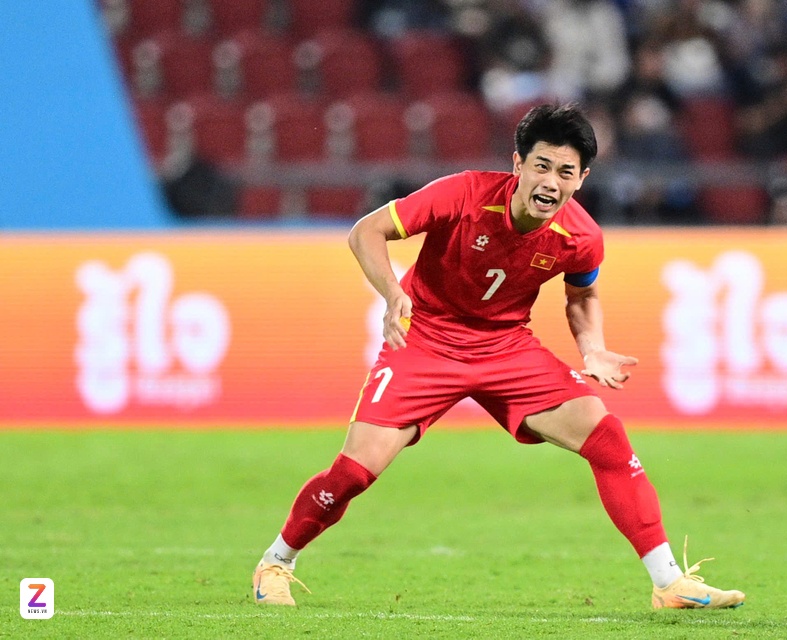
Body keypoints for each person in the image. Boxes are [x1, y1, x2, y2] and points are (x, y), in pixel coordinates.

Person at [252, 103, 745, 610]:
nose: (550, 182)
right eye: (541, 166)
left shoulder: (581, 237)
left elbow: (581, 295)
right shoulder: (463, 193)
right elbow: (365, 231)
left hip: (506, 347)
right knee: (356, 472)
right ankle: (276, 561)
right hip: (426, 339)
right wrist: (393, 293)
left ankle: (668, 583)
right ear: (518, 164)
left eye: (566, 172)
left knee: (608, 440)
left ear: (582, 179)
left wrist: (593, 348)